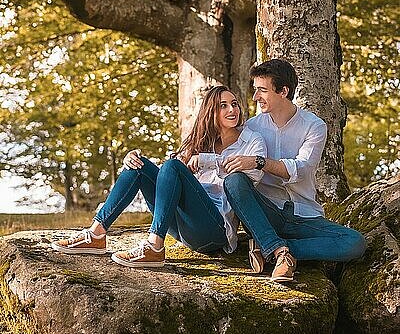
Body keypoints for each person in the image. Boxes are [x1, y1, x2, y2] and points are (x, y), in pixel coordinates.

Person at [52, 86, 266, 268]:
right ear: (210, 111)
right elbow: (168, 173)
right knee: (139, 164)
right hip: (183, 225)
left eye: (235, 104)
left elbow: (254, 175)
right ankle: (96, 234)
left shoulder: (251, 140)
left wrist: (206, 161)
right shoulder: (199, 142)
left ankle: (154, 246)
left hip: (213, 230)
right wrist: (131, 160)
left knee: (172, 166)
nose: (232, 110)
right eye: (223, 105)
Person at [222, 59, 367, 282]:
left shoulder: (314, 126)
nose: (255, 97)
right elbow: (220, 145)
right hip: (266, 213)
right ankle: (276, 249)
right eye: (255, 90)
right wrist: (188, 155)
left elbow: (301, 168)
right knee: (234, 181)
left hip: (304, 215)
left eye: (262, 90)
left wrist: (259, 161)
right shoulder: (251, 127)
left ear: (283, 91)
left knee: (354, 243)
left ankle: (272, 248)